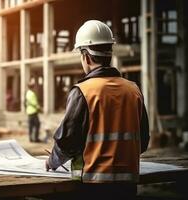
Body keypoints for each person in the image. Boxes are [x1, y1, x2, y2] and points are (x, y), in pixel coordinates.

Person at [45, 20, 150, 199]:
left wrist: (52, 161)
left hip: (93, 187)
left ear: (85, 56)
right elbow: (143, 141)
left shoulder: (84, 91)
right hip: (128, 187)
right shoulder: (133, 90)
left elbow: (67, 141)